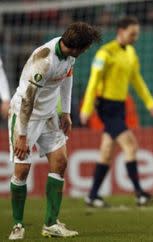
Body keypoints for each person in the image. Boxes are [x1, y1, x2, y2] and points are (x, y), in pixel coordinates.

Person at [7, 22, 101, 240]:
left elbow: (67, 78)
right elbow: (28, 99)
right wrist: (21, 135)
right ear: (78, 48)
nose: (85, 51)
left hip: (49, 115)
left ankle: (50, 224)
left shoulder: (69, 54)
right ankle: (17, 225)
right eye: (86, 48)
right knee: (21, 170)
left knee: (60, 161)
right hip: (25, 115)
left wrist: (66, 112)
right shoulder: (44, 61)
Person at [80, 16, 153, 208]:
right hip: (106, 106)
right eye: (132, 33)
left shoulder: (131, 53)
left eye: (137, 34)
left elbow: (137, 81)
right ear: (120, 32)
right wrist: (86, 108)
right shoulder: (105, 53)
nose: (135, 37)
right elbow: (93, 82)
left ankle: (92, 195)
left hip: (120, 106)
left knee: (106, 152)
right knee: (130, 146)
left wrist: (150, 102)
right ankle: (140, 193)